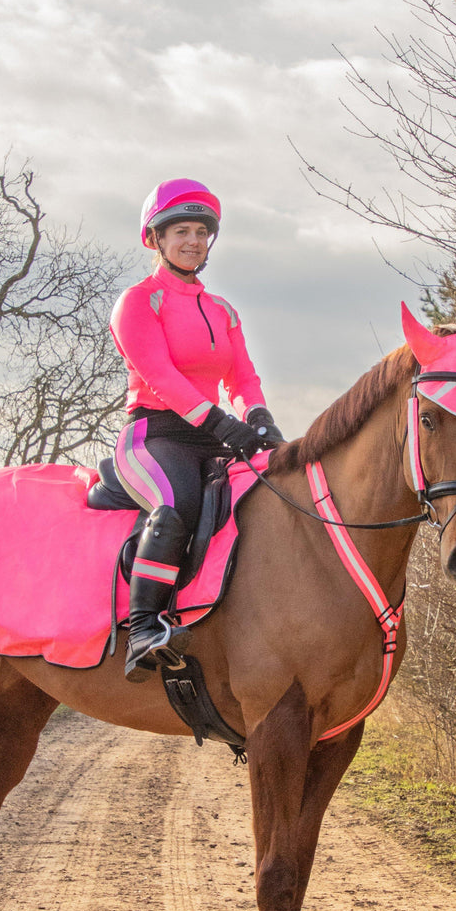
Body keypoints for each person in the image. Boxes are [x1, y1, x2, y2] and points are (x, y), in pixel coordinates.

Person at [109, 178, 283, 682]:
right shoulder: (139, 302)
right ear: (156, 240)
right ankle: (143, 629)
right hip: (155, 436)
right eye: (180, 230)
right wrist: (220, 421)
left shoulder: (222, 309)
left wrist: (258, 417)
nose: (192, 240)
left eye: (202, 231)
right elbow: (160, 377)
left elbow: (243, 376)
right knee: (179, 503)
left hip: (213, 436)